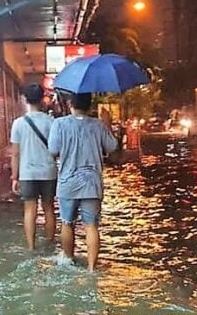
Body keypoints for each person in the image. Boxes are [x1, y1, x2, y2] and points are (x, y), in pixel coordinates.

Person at [48, 92, 118, 270]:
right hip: (92, 183)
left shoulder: (59, 124)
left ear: (71, 103)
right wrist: (108, 124)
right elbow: (112, 147)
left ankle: (68, 260)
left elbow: (53, 149)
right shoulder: (99, 125)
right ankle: (92, 269)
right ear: (90, 105)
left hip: (68, 183)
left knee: (67, 222)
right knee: (91, 226)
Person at [10, 84, 57, 250]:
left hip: (27, 172)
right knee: (49, 208)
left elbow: (15, 153)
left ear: (25, 99)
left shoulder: (18, 124)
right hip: (48, 172)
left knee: (30, 210)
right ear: (42, 99)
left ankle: (31, 247)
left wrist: (14, 177)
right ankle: (50, 244)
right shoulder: (51, 122)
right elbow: (56, 149)